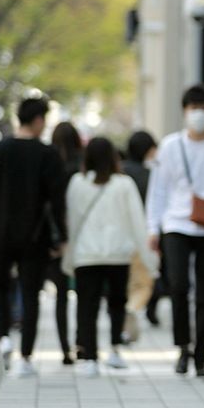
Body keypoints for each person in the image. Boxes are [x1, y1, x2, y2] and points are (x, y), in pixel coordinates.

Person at [0, 97, 68, 375]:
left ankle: (4, 339)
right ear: (37, 120)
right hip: (35, 235)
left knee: (0, 288)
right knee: (30, 292)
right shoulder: (48, 155)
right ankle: (26, 357)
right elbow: (57, 201)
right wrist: (62, 237)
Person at [146, 85, 204, 377]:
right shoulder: (170, 146)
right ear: (184, 111)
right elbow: (158, 190)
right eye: (193, 108)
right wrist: (154, 227)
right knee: (177, 286)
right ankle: (182, 347)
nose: (199, 114)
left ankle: (201, 355)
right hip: (176, 225)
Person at [64, 137, 156, 376]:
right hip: (118, 255)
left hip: (86, 255)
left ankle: (90, 357)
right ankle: (115, 349)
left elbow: (71, 222)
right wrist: (148, 259)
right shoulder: (123, 184)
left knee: (87, 306)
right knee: (116, 303)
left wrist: (69, 256)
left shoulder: (77, 182)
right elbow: (138, 223)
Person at [46, 120, 84, 364]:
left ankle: (64, 349)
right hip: (81, 236)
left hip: (55, 238)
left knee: (61, 294)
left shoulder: (50, 164)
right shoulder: (82, 165)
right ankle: (81, 342)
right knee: (83, 292)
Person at [122, 130, 165, 327]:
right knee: (148, 275)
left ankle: (125, 310)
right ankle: (144, 309)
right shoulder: (149, 175)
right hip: (145, 233)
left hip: (123, 233)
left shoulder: (119, 172)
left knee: (124, 277)